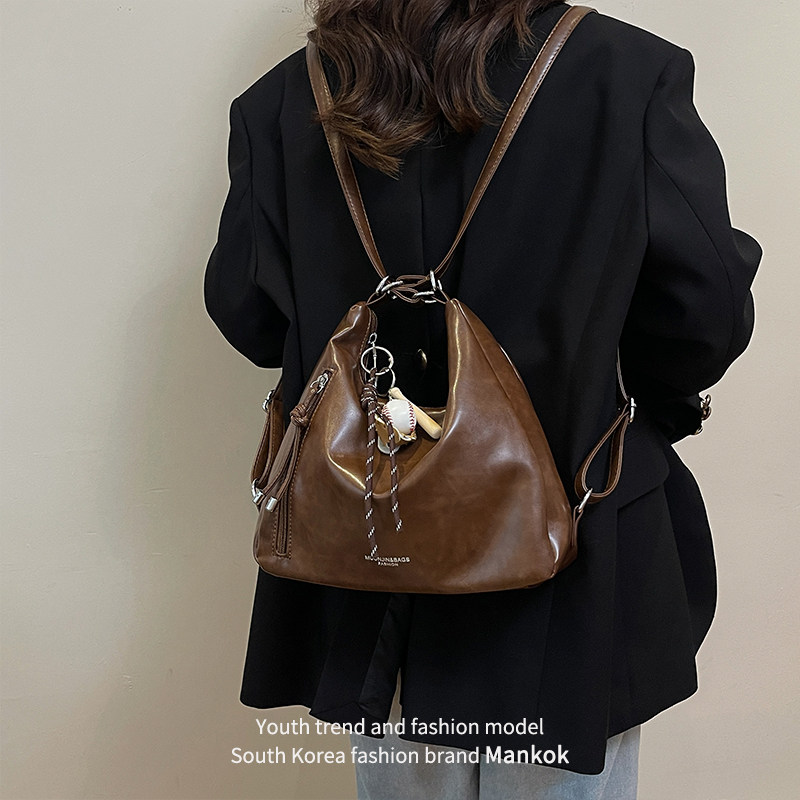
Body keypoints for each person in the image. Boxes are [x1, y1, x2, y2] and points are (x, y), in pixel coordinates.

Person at [203, 1, 761, 797]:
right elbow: (703, 317)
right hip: (572, 539)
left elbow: (251, 316)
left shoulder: (290, 99)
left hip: (371, 554)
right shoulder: (625, 73)